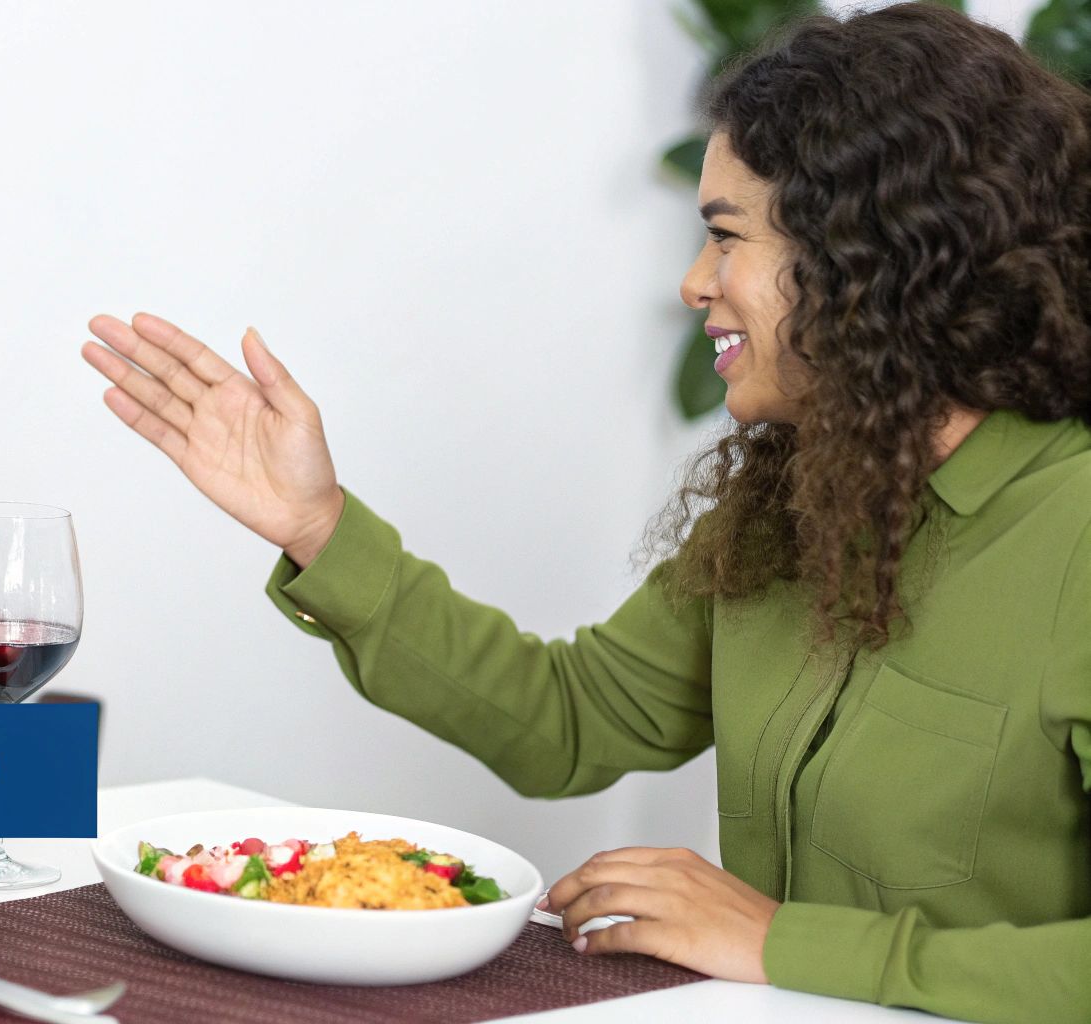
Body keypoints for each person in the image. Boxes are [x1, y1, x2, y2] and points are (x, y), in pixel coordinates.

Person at [81, 5, 1089, 1019]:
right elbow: (571, 719)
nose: (694, 284)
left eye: (724, 238)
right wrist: (317, 528)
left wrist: (782, 940)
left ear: (869, 263)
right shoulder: (797, 500)